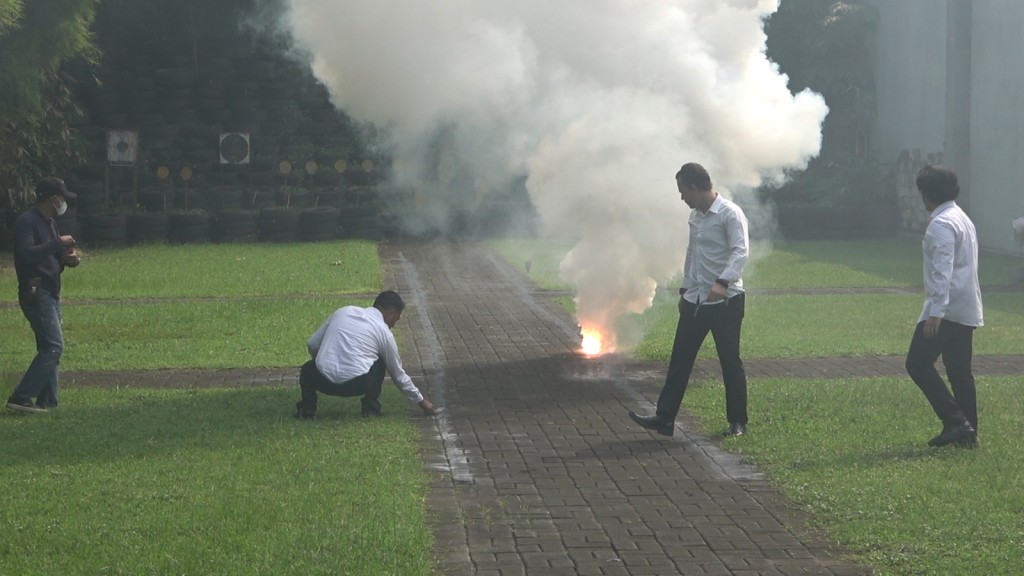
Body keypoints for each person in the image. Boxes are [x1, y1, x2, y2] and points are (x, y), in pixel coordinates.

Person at [629, 162, 750, 437]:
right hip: (696, 300)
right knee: (680, 358)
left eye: (683, 191)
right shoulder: (695, 216)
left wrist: (722, 282)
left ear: (695, 188)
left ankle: (738, 421)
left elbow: (740, 252)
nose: (682, 198)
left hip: (726, 301)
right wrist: (686, 290)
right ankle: (664, 418)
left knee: (729, 361)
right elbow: (692, 253)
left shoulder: (730, 213)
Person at [905, 165, 983, 448]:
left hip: (946, 309)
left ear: (926, 193)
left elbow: (943, 268)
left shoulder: (941, 224)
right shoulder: (961, 217)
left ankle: (955, 422)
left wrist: (936, 311)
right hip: (965, 306)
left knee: (917, 363)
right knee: (960, 372)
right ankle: (968, 434)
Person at [296, 290, 441, 419]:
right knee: (380, 361)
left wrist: (323, 360)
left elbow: (312, 344)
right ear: (391, 312)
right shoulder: (384, 332)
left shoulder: (342, 312)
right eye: (396, 319)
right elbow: (398, 374)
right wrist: (422, 402)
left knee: (308, 368)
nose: (393, 325)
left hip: (322, 381)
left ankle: (307, 409)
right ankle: (370, 409)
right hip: (358, 384)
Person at [6, 177, 80, 414]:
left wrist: (66, 260)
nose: (64, 203)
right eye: (62, 198)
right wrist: (57, 243)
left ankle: (48, 401)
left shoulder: (49, 222)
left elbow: (48, 257)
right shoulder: (27, 222)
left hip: (50, 290)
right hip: (36, 291)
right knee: (54, 346)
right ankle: (21, 396)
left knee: (49, 347)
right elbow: (27, 254)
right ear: (52, 198)